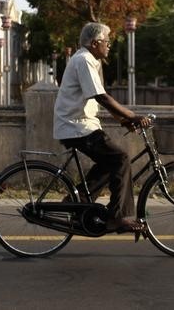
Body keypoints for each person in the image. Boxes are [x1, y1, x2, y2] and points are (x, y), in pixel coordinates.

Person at [53, 22, 150, 234]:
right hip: (76, 127)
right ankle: (119, 217)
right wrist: (132, 116)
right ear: (95, 43)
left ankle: (76, 200)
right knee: (121, 158)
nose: (109, 46)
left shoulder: (87, 60)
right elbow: (102, 97)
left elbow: (99, 99)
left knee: (110, 162)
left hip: (78, 125)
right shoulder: (84, 60)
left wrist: (123, 120)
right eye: (106, 42)